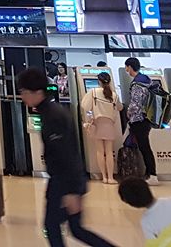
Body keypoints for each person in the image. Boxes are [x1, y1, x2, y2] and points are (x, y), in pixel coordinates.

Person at [17, 68, 118, 247]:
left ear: (37, 92)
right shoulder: (50, 111)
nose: (22, 97)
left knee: (56, 226)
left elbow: (66, 154)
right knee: (72, 228)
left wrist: (72, 191)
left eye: (24, 92)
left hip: (65, 181)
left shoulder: (53, 116)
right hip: (65, 180)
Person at [80, 71, 122, 185]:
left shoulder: (93, 92)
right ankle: (111, 177)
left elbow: (85, 106)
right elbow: (120, 107)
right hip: (109, 125)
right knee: (109, 152)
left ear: (99, 81)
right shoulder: (114, 95)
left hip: (97, 124)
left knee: (100, 151)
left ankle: (104, 177)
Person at [124, 57, 159, 183]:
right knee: (145, 146)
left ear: (129, 67)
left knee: (144, 147)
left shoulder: (137, 83)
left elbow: (135, 103)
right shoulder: (147, 80)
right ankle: (149, 173)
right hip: (147, 117)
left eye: (126, 67)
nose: (126, 70)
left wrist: (128, 112)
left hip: (139, 120)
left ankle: (152, 174)